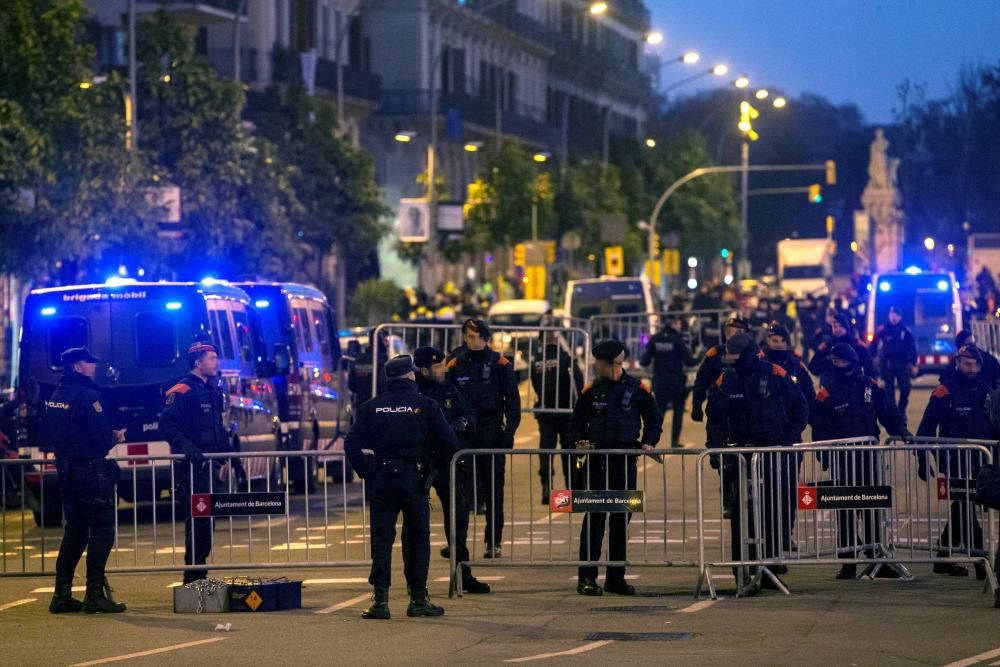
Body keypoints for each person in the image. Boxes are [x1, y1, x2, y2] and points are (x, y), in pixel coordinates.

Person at [345, 355, 458, 619]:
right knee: (418, 538)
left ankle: (380, 602)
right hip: (414, 479)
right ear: (409, 376)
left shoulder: (371, 407)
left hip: (382, 478)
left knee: (382, 540)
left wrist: (366, 472)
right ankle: (418, 599)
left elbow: (351, 443)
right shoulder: (426, 405)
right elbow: (450, 442)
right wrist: (432, 469)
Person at [706, 333, 809, 587]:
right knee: (741, 516)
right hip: (739, 456)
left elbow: (800, 406)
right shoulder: (727, 379)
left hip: (772, 453)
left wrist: (789, 438)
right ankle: (743, 570)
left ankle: (770, 567)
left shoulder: (775, 374)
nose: (732, 362)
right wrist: (715, 450)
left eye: (736, 357)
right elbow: (715, 417)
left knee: (773, 511)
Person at [571, 340, 661, 596]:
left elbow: (654, 418)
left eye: (598, 362)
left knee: (621, 521)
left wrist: (648, 442)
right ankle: (586, 578)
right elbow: (576, 423)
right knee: (595, 520)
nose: (594, 365)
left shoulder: (637, 389)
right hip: (599, 463)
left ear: (611, 363)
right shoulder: (591, 391)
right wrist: (578, 442)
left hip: (624, 463)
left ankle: (615, 578)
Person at [812, 343, 908, 580]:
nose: (840, 366)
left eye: (843, 361)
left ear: (853, 362)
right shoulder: (826, 393)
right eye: (835, 362)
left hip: (868, 458)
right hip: (841, 460)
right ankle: (849, 562)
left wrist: (903, 432)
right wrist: (824, 456)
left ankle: (877, 557)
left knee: (872, 509)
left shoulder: (870, 385)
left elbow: (887, 412)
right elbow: (820, 428)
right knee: (844, 512)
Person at [42, 347, 127, 614]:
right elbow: (101, 439)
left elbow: (53, 432)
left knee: (75, 533)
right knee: (102, 530)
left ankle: (62, 594)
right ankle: (94, 594)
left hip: (67, 473)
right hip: (90, 474)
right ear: (78, 367)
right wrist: (114, 437)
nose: (94, 367)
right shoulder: (89, 397)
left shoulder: (57, 396)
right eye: (89, 363)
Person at [405, 346, 490, 594]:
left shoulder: (449, 387)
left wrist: (454, 427)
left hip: (449, 462)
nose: (443, 369)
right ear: (423, 370)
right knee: (415, 525)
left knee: (458, 520)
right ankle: (415, 583)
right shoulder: (414, 393)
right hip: (422, 464)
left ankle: (463, 575)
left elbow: (467, 415)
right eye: (438, 367)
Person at [160, 342, 242, 585]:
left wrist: (233, 460)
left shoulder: (211, 390)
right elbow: (166, 426)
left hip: (209, 467)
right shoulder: (183, 390)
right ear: (199, 363)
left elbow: (217, 430)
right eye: (212, 358)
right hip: (191, 469)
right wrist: (188, 449)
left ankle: (200, 574)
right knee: (197, 522)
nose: (216, 362)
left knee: (206, 522)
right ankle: (192, 577)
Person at [917, 345, 994, 580]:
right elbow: (925, 429)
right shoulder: (944, 392)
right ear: (958, 364)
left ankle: (943, 556)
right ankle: (983, 562)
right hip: (953, 462)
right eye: (967, 364)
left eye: (975, 365)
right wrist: (922, 460)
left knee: (962, 508)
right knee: (965, 507)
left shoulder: (986, 391)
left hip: (981, 461)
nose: (971, 369)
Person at [446, 319, 520, 558]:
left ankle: (493, 542)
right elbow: (446, 401)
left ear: (486, 338)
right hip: (465, 434)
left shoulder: (500, 364)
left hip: (491, 432)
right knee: (462, 492)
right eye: (469, 336)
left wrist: (508, 433)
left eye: (478, 336)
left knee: (493, 489)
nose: (474, 341)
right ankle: (459, 544)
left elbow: (513, 404)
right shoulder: (456, 365)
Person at [529, 331, 584, 502]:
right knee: (571, 453)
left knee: (546, 452)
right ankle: (573, 490)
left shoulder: (536, 362)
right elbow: (578, 382)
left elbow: (535, 385)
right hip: (567, 411)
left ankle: (546, 487)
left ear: (541, 342)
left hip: (546, 412)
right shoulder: (567, 359)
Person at [640, 316, 697, 448]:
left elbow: (644, 361)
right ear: (675, 324)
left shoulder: (655, 339)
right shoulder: (678, 340)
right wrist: (701, 357)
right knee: (678, 411)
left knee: (659, 413)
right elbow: (689, 361)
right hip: (676, 381)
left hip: (660, 381)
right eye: (678, 324)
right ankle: (675, 441)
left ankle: (650, 441)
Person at [691, 316, 750, 423]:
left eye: (740, 331)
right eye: (731, 331)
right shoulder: (714, 354)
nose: (735, 335)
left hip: (746, 410)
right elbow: (701, 382)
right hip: (719, 407)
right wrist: (696, 405)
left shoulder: (754, 355)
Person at [870, 306, 918, 414]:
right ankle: (893, 413)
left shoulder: (905, 331)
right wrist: (873, 357)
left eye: (896, 315)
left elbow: (912, 347)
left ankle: (901, 409)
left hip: (902, 364)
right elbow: (873, 344)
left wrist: (914, 363)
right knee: (889, 391)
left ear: (900, 317)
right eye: (891, 314)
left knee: (905, 388)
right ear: (889, 316)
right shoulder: (883, 330)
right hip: (887, 364)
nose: (893, 317)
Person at [808, 313, 875, 379]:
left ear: (846, 327)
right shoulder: (827, 346)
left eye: (840, 326)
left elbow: (869, 369)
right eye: (835, 326)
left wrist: (867, 384)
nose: (837, 329)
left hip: (852, 386)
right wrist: (827, 359)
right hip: (831, 387)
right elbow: (813, 369)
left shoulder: (856, 346)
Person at [348, 329, 388, 407]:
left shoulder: (358, 359)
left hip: (361, 404)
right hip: (379, 406)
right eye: (385, 340)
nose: (387, 343)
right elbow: (383, 386)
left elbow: (351, 385)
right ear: (380, 340)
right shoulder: (382, 360)